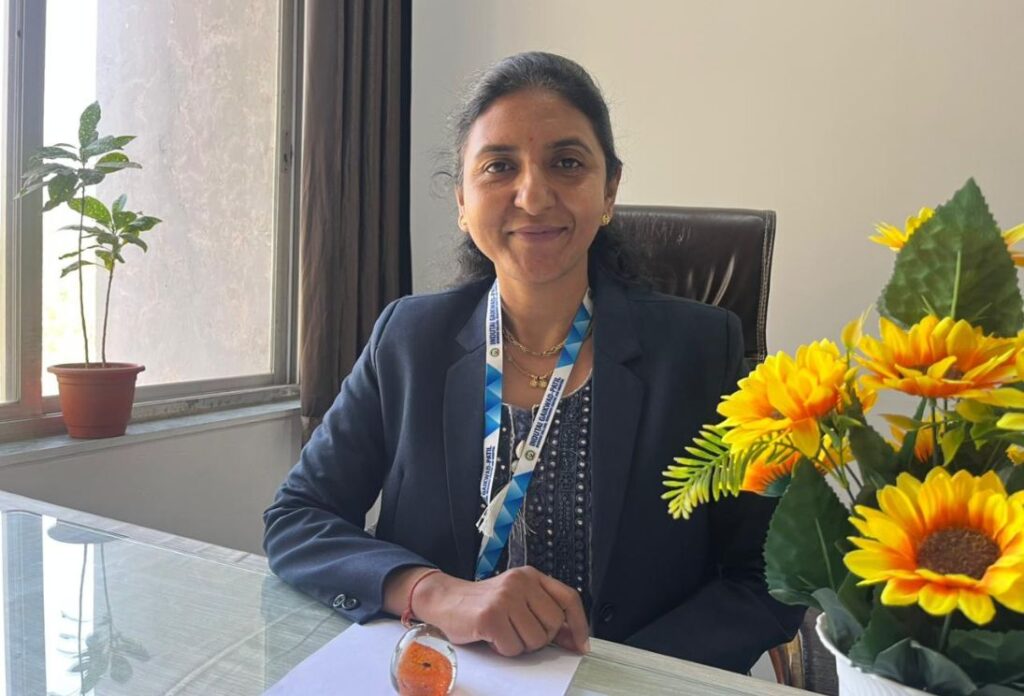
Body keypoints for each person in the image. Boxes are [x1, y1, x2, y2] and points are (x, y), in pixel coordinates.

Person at [263, 51, 803, 674]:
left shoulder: (702, 350)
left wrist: (617, 677)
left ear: (609, 190)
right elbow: (297, 518)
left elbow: (771, 576)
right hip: (444, 677)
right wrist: (433, 592)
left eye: (566, 163)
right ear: (462, 200)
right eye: (499, 166)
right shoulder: (409, 340)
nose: (533, 195)